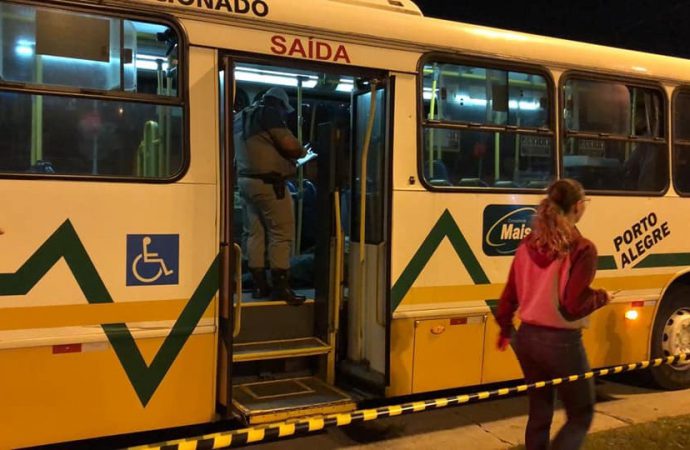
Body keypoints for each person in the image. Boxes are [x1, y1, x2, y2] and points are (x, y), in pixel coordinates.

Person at [495, 178, 610, 450]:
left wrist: (505, 329)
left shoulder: (527, 245)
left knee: (540, 412)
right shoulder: (582, 249)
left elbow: (509, 294)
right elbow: (573, 305)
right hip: (561, 343)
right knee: (581, 413)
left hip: (527, 338)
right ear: (578, 206)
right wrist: (602, 297)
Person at [235, 87, 310, 305]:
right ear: (277, 103)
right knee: (281, 234)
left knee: (254, 234)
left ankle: (259, 286)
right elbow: (291, 146)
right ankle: (281, 288)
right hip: (270, 184)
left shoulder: (240, 117)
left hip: (246, 182)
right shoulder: (268, 113)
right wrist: (303, 151)